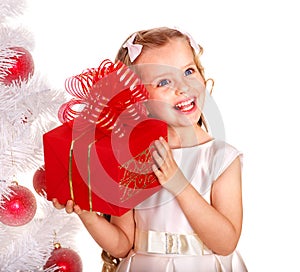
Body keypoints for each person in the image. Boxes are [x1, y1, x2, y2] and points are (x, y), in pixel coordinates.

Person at [53, 26, 247, 272]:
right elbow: (123, 244)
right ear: (137, 98)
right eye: (164, 81)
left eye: (189, 71)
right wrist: (87, 213)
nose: (183, 87)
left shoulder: (221, 158)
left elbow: (226, 242)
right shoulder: (132, 156)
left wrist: (178, 183)